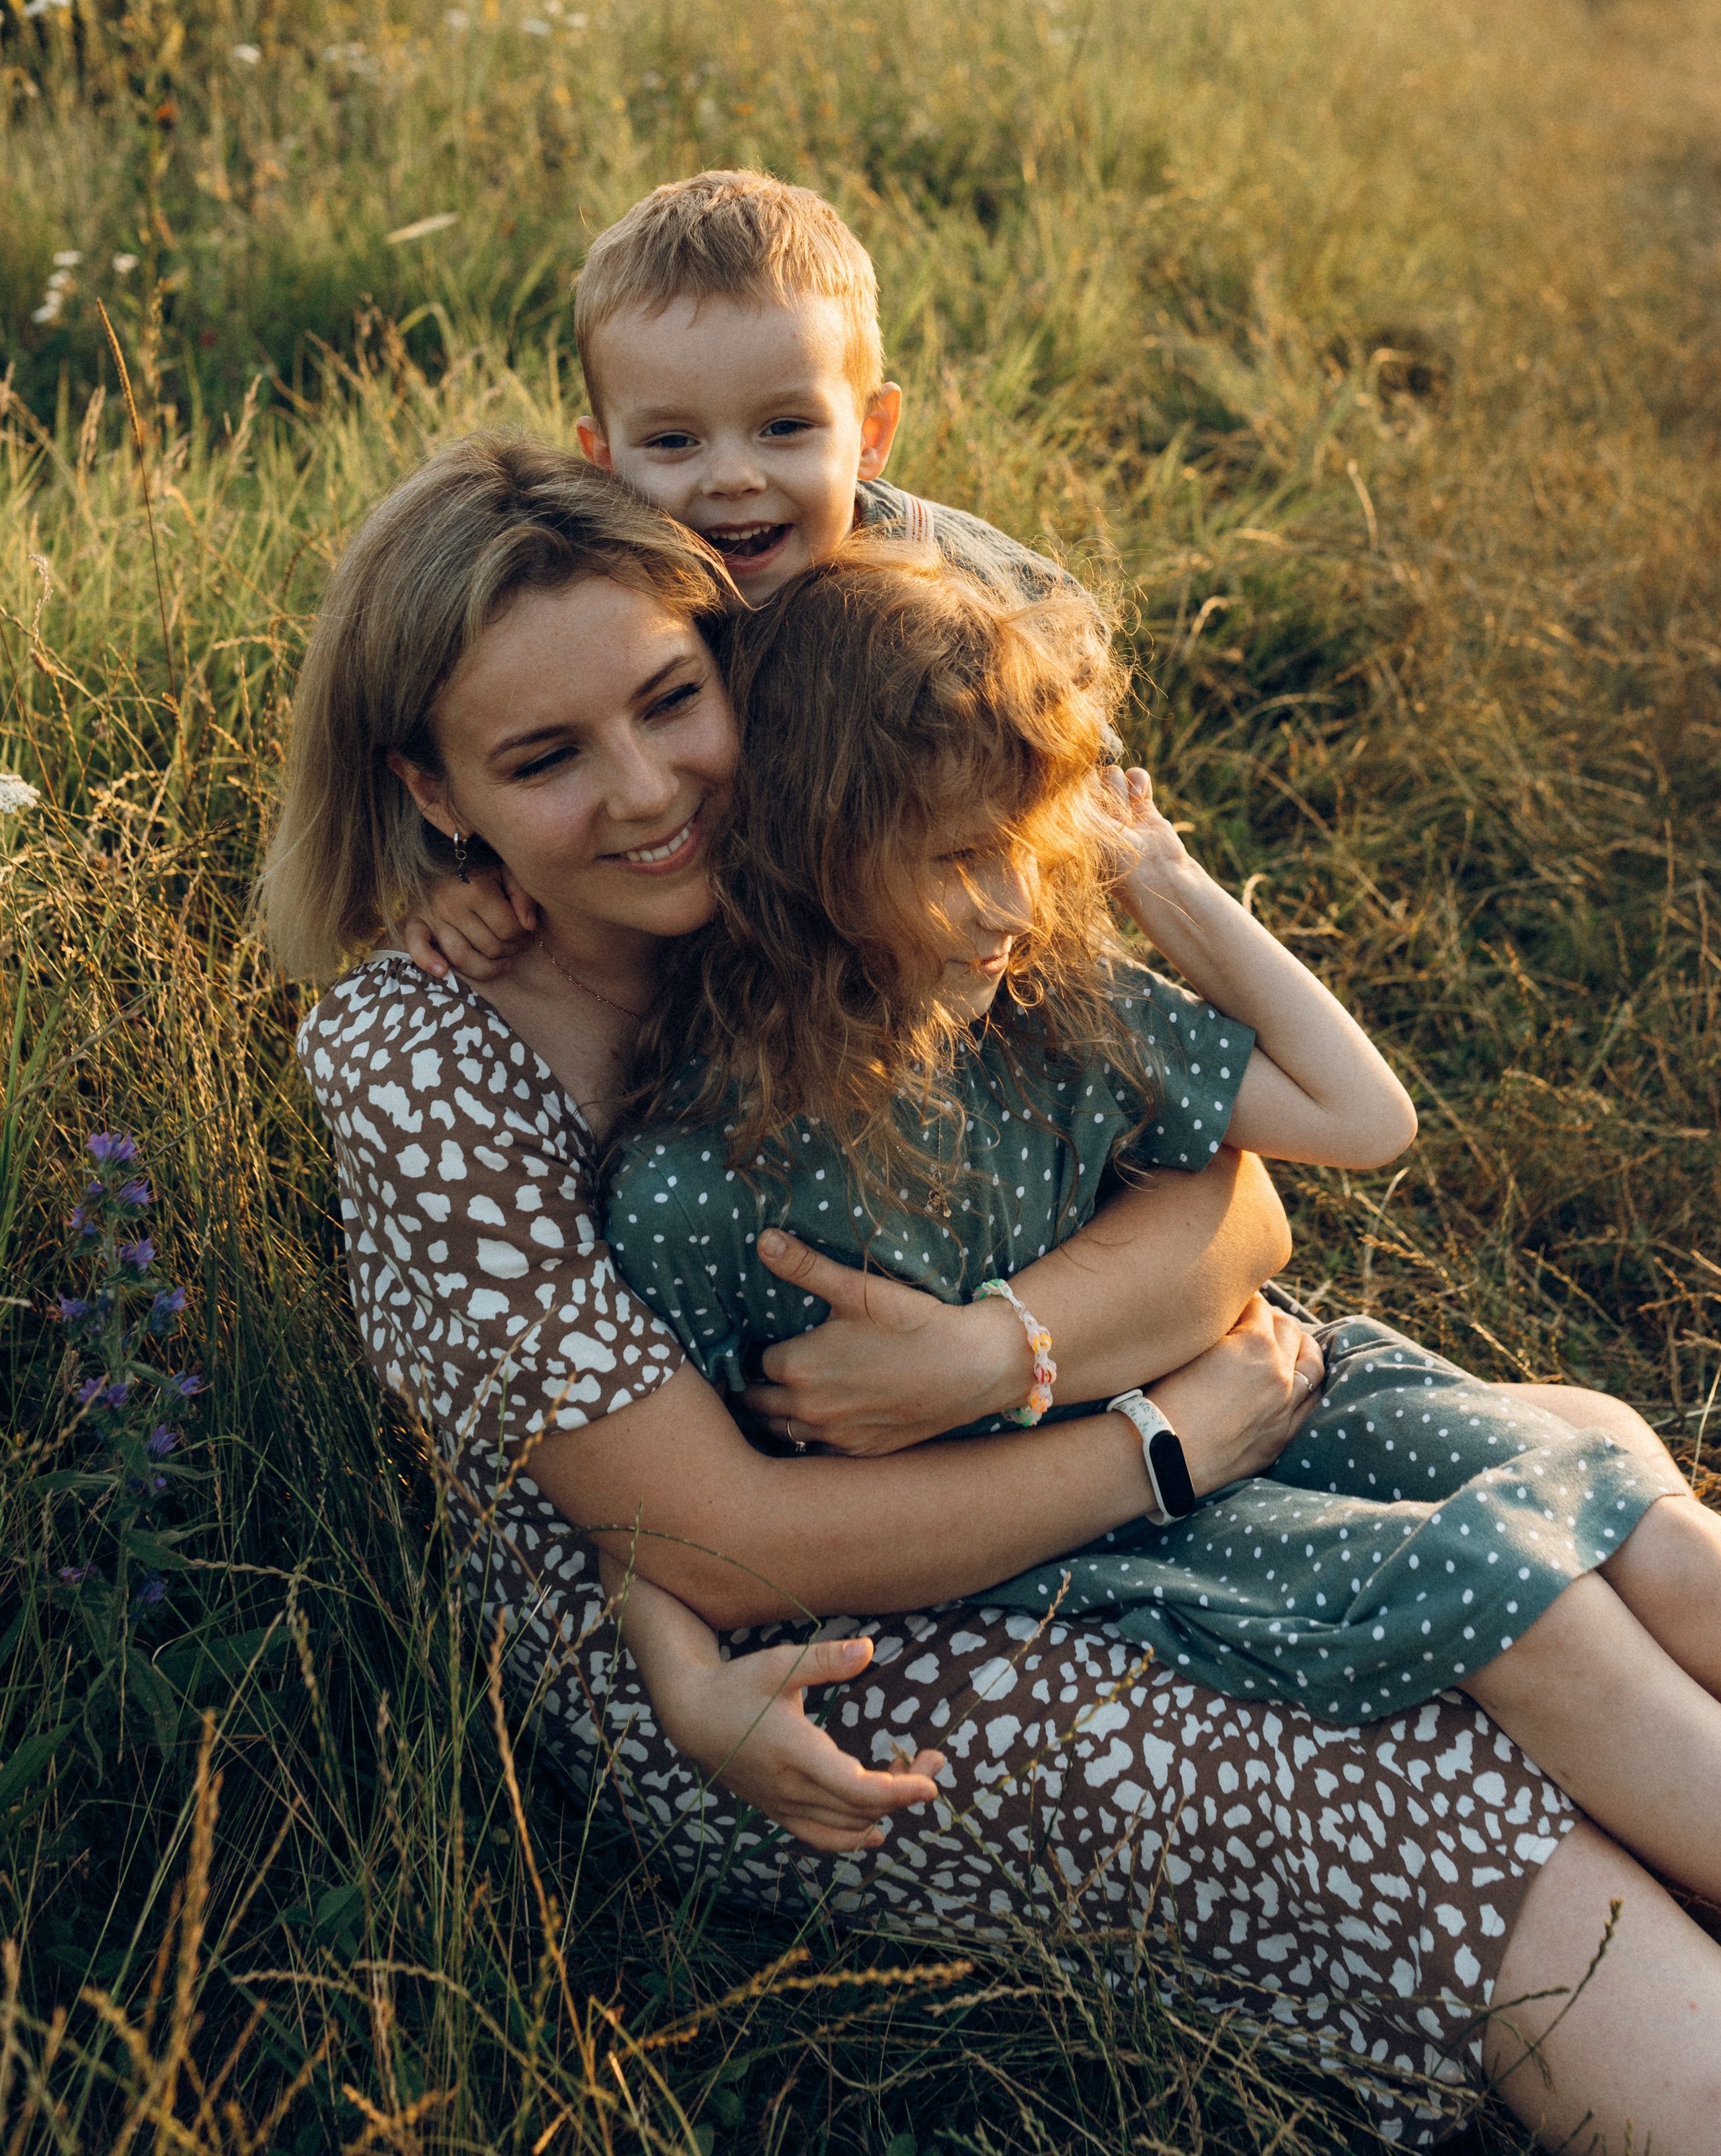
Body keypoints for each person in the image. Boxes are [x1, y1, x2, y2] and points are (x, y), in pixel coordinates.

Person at [266, 434, 1721, 2156]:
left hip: (1067, 1453)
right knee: (1412, 1758)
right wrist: (1163, 1434)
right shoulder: (430, 1054)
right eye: (543, 757)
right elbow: (718, 1537)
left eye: (672, 699)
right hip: (772, 1664)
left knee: (1555, 1466)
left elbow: (1235, 1208)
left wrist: (1001, 1351)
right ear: (434, 792)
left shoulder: (843, 875)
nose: (648, 789)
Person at [602, 540, 1676, 1729]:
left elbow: (1362, 1118)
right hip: (1087, 1536)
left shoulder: (1036, 1001)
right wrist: (682, 1675)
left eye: (1027, 842)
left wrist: (1160, 877)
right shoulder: (698, 1184)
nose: (1014, 903)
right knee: (1528, 1581)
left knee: (1641, 1515)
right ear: (813, 853)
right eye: (961, 859)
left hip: (1255, 1398)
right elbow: (665, 1510)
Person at [401, 165, 1082, 987]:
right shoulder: (620, 595)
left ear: (869, 433)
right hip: (768, 957)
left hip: (971, 941)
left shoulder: (944, 581)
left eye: (784, 427)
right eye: (674, 443)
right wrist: (456, 875)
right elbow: (502, 742)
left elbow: (1070, 722)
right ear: (604, 460)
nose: (732, 478)